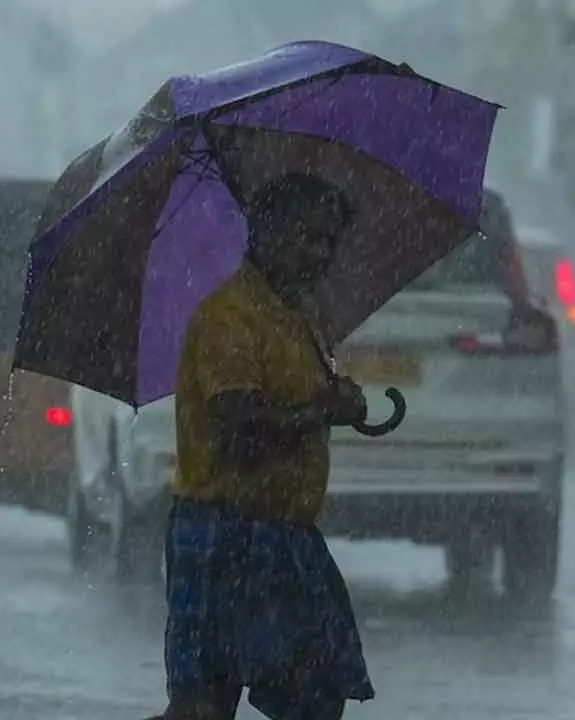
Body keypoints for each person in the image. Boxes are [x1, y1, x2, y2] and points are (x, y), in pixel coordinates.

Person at [151, 173, 375, 720]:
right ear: (266, 232)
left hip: (286, 535)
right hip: (225, 532)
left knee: (316, 696)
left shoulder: (293, 316)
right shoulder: (230, 317)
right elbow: (238, 425)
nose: (321, 254)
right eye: (307, 238)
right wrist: (324, 411)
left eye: (329, 241)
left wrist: (335, 400)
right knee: (204, 705)